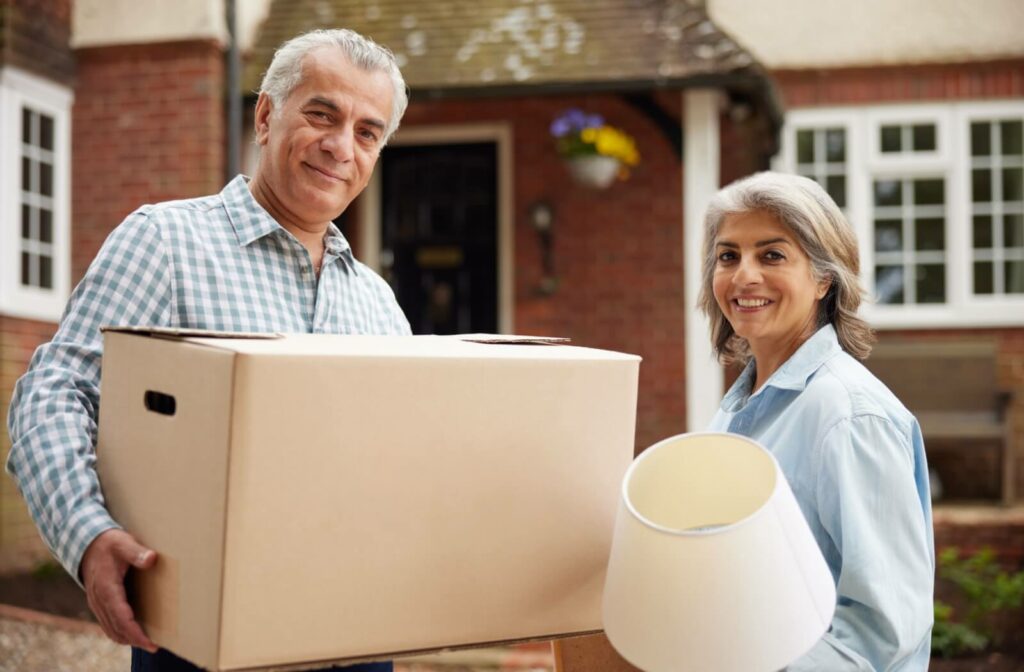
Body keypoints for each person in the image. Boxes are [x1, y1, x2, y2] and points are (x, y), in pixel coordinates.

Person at [7, 29, 411, 672]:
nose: (341, 147)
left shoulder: (380, 306)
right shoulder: (164, 242)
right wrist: (88, 536)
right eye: (321, 114)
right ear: (265, 116)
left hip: (356, 639)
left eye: (367, 132)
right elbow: (55, 393)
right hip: (203, 640)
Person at [699, 172, 934, 670]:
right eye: (728, 255)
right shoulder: (737, 408)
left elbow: (881, 630)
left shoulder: (848, 415)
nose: (744, 276)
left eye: (772, 255)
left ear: (824, 278)